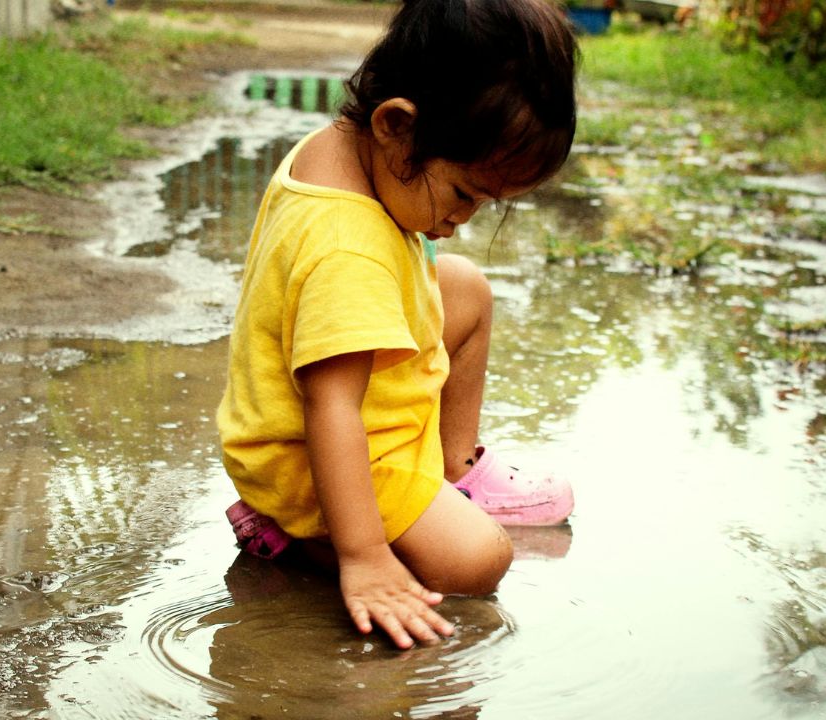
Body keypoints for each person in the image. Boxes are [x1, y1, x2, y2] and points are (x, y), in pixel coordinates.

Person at [217, 0, 579, 650]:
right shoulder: (345, 250)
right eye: (466, 194)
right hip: (318, 452)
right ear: (395, 126)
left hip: (356, 388)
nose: (464, 218)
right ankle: (299, 535)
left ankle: (452, 470)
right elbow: (332, 408)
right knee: (479, 561)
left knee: (465, 289)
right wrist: (363, 557)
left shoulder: (350, 148)